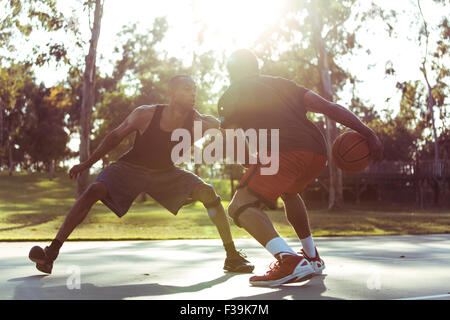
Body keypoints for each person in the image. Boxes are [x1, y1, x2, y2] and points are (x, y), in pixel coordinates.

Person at [29, 74, 254, 275]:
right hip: (129, 168)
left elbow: (232, 132)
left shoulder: (200, 122)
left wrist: (248, 160)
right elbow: (114, 137)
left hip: (165, 173)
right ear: (172, 93)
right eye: (187, 88)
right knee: (95, 189)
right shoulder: (145, 114)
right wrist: (87, 163)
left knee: (208, 192)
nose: (193, 93)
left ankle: (232, 256)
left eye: (194, 89)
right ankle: (51, 253)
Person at [218, 49, 383, 287]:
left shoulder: (231, 95)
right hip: (317, 153)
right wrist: (368, 133)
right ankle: (312, 257)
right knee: (289, 192)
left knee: (240, 206)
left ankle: (288, 261)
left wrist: (252, 164)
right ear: (256, 67)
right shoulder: (282, 85)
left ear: (231, 71)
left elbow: (234, 141)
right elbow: (328, 107)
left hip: (286, 151)